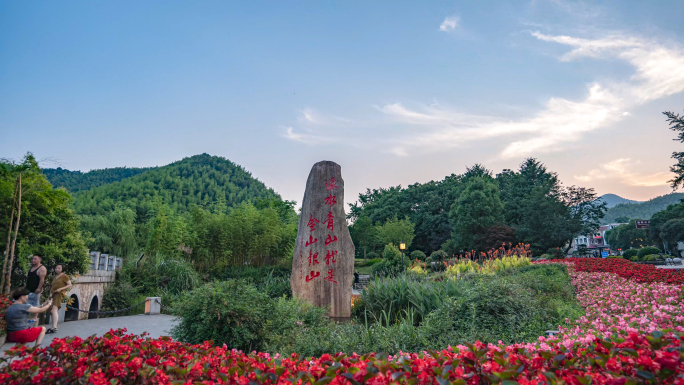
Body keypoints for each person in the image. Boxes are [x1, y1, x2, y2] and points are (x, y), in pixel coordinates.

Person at [47, 264, 72, 334]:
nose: (57, 269)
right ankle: (52, 326)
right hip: (53, 294)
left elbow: (69, 284)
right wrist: (50, 293)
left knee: (54, 310)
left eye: (59, 268)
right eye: (56, 268)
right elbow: (53, 286)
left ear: (62, 269)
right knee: (51, 311)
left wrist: (61, 289)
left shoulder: (64, 276)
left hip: (59, 294)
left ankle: (54, 327)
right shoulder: (55, 277)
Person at [25, 255, 47, 326]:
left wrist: (39, 288)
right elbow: (28, 278)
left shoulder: (42, 268)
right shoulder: (32, 267)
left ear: (40, 259)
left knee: (36, 303)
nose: (33, 260)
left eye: (35, 259)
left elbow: (42, 279)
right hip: (28, 288)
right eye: (32, 259)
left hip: (35, 289)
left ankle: (35, 317)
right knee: (26, 302)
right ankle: (26, 316)